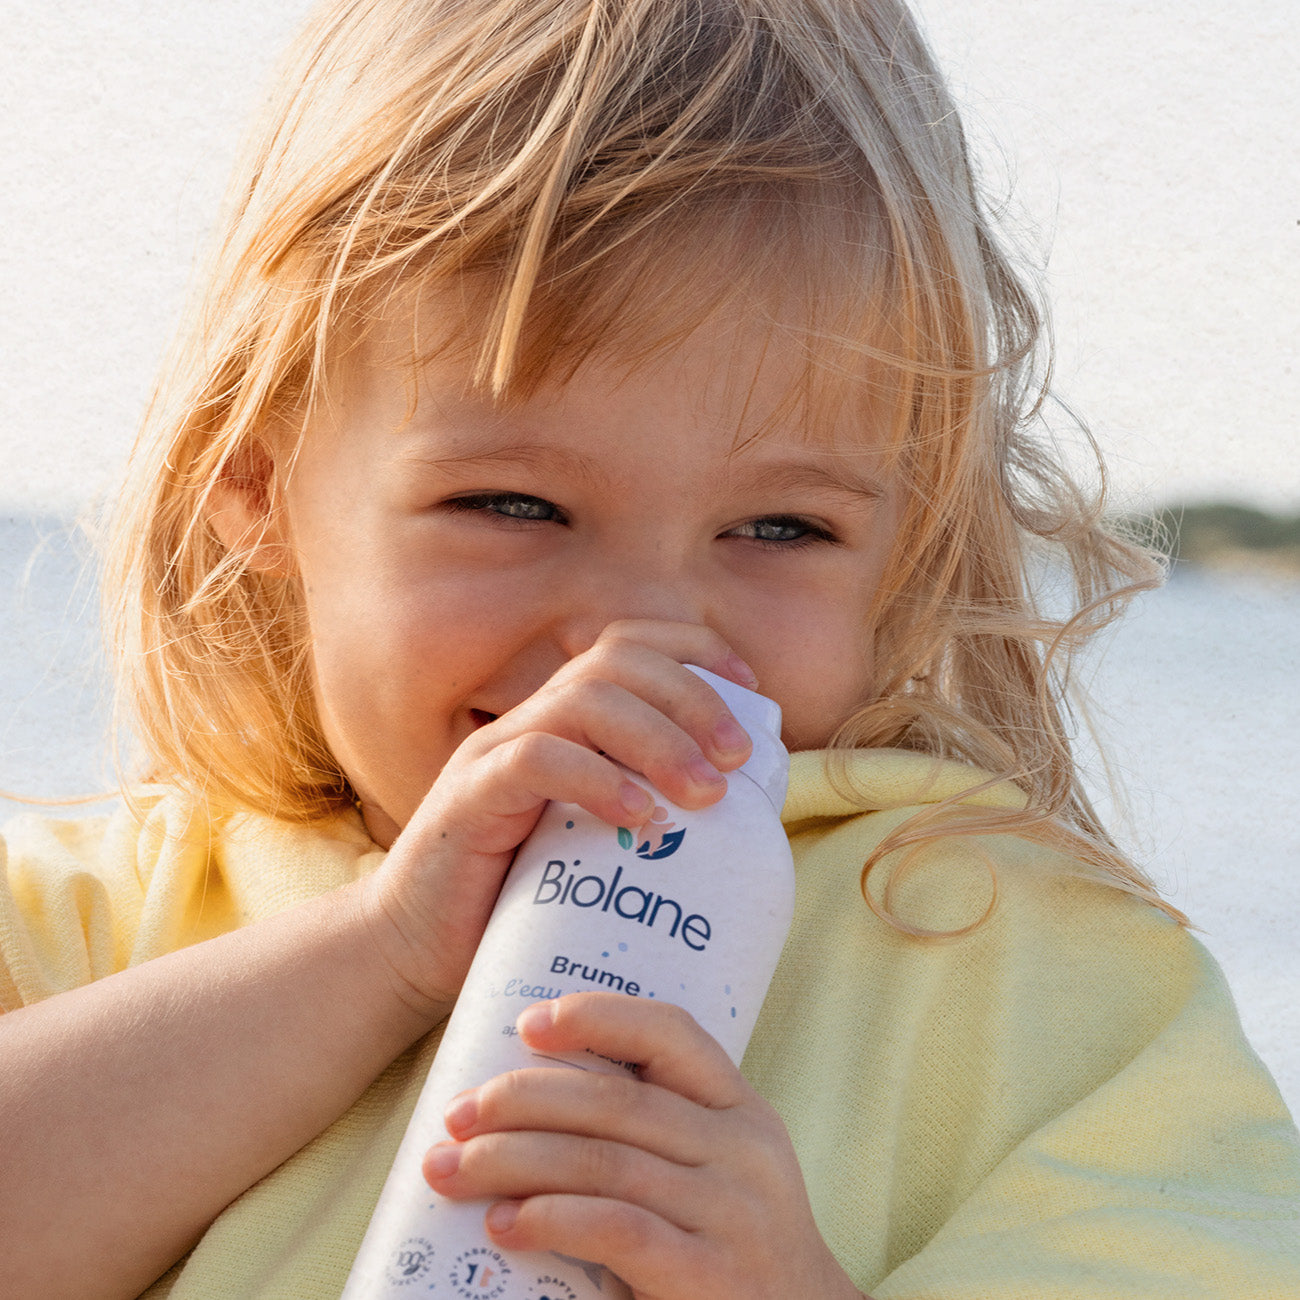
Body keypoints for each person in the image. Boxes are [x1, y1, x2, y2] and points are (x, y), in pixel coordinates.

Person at [2, 0, 1298, 1296]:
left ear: (905, 546)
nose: (643, 636)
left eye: (781, 526)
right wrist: (379, 954)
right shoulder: (101, 920)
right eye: (513, 505)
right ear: (259, 483)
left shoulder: (1030, 979)